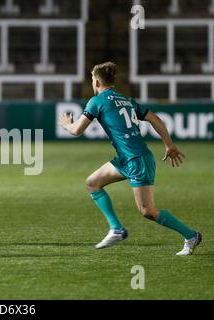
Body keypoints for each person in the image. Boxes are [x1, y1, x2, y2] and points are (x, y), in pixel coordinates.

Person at [59, 62, 202, 256]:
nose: (92, 83)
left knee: (148, 211)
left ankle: (191, 236)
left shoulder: (97, 101)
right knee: (92, 183)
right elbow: (155, 118)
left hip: (136, 160)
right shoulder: (126, 100)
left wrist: (67, 124)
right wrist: (169, 144)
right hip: (127, 159)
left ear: (98, 82)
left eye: (92, 80)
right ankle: (116, 229)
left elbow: (76, 130)